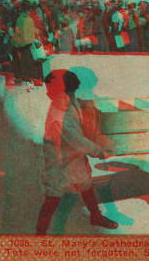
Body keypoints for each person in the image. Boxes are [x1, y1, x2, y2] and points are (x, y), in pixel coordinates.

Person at [36, 70, 118, 235]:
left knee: (85, 184)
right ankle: (40, 234)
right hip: (59, 161)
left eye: (50, 90)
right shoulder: (60, 115)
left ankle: (95, 216)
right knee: (53, 197)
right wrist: (99, 150)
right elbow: (77, 140)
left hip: (74, 158)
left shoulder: (68, 101)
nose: (47, 93)